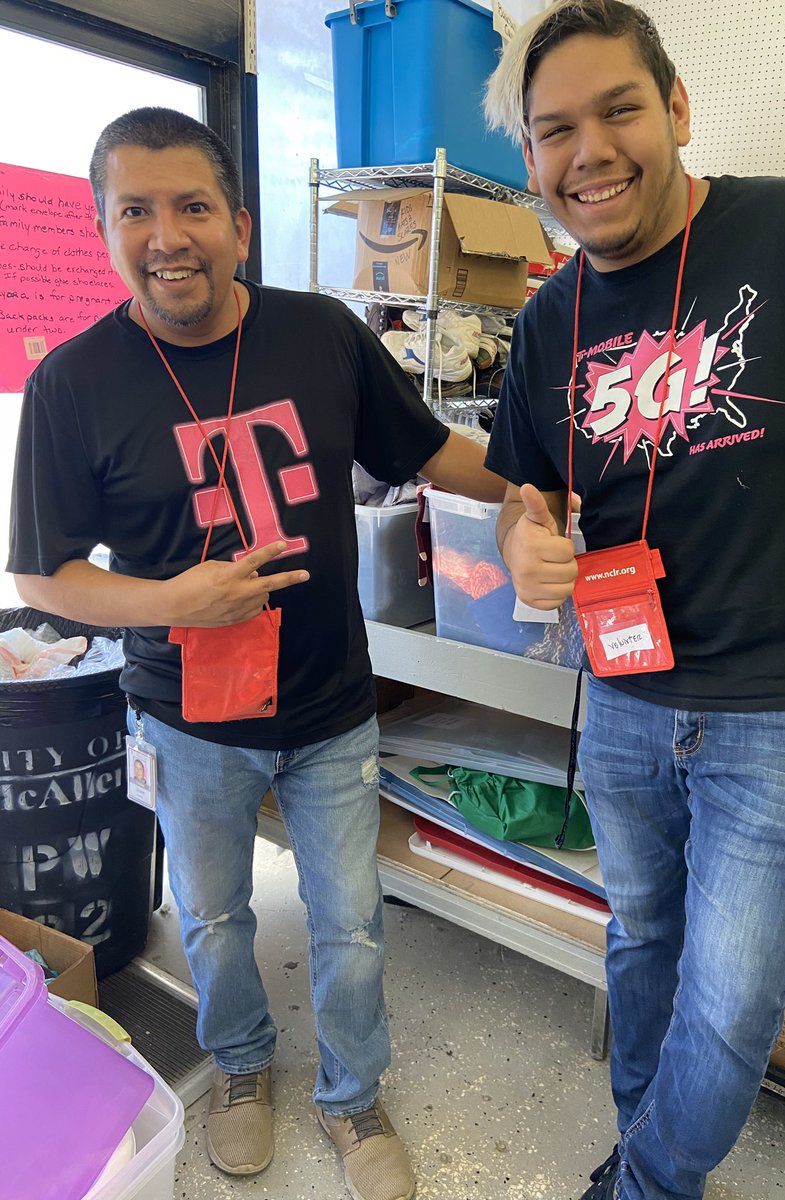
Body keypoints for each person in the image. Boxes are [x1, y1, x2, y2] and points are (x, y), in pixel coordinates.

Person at [7, 106, 506, 1200]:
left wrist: (534, 488)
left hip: (330, 706)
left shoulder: (321, 334)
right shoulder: (72, 384)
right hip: (186, 718)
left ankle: (352, 1096)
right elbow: (43, 577)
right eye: (135, 211)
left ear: (238, 225)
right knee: (215, 916)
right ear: (104, 228)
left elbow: (428, 451)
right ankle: (239, 1067)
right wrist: (173, 598)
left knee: (352, 921)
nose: (167, 236)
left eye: (192, 206)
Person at [482, 4, 785, 1198]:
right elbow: (525, 498)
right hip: (624, 700)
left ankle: (646, 1185)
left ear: (674, 108)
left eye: (619, 109)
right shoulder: (549, 319)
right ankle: (648, 1161)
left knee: (726, 1009)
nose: (590, 152)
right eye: (555, 131)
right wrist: (523, 545)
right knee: (640, 947)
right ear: (531, 156)